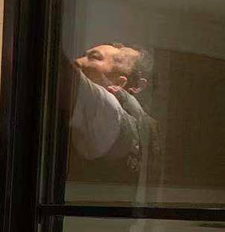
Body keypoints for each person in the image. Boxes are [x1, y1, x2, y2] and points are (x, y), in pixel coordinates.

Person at [68, 43, 159, 188]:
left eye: (94, 57)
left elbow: (63, 72)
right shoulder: (136, 124)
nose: (77, 61)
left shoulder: (109, 110)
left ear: (119, 83)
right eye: (84, 55)